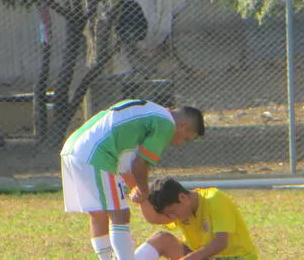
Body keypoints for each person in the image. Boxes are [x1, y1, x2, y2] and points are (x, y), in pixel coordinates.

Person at [60, 99, 205, 260]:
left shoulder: (152, 113)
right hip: (96, 154)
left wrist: (139, 193)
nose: (179, 143)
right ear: (183, 125)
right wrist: (144, 191)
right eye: (185, 138)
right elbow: (139, 164)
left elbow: (126, 168)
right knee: (120, 214)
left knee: (99, 214)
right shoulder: (166, 124)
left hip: (74, 147)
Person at [134, 177, 258, 260]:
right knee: (161, 239)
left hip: (237, 257)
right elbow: (154, 218)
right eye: (168, 215)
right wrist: (142, 200)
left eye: (172, 213)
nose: (171, 218)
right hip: (202, 257)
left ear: (183, 197)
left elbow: (221, 243)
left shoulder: (215, 199)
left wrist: (189, 259)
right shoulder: (181, 209)